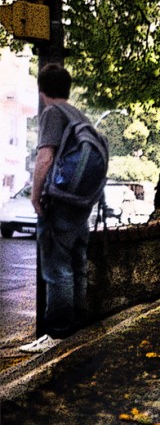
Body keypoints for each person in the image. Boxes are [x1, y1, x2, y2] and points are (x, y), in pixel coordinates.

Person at [19, 64, 96, 353]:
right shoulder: (80, 116)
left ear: (41, 90)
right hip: (80, 205)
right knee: (77, 265)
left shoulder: (53, 113)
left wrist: (36, 195)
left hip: (59, 203)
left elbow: (45, 158)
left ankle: (57, 335)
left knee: (56, 268)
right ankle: (74, 332)